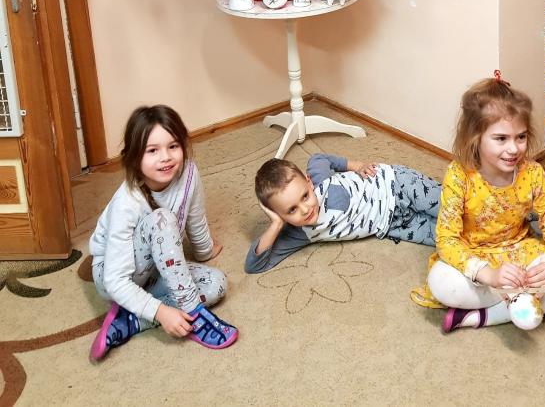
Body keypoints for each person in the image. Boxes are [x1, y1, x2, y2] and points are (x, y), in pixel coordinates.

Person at [411, 75, 545, 332]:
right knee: (440, 283)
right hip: (478, 260)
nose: (513, 149)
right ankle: (536, 302)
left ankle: (484, 316)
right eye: (501, 139)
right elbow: (446, 240)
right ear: (475, 137)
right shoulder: (459, 175)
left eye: (521, 137)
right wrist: (489, 275)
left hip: (523, 257)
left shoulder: (532, 173)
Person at [88, 105, 238, 360]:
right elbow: (114, 281)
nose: (166, 157)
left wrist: (204, 250)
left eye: (173, 146)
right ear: (134, 157)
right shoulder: (127, 202)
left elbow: (195, 217)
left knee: (217, 284)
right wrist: (160, 312)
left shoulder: (188, 173)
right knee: (162, 219)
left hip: (159, 267)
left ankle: (132, 320)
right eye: (152, 150)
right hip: (115, 275)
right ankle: (193, 312)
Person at [244, 153, 442, 274]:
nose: (305, 210)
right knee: (447, 236)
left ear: (308, 181)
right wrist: (276, 224)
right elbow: (254, 266)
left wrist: (356, 165)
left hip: (395, 183)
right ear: (279, 214)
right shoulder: (298, 234)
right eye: (291, 210)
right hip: (393, 224)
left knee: (451, 206)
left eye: (305, 196)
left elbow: (319, 158)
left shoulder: (319, 177)